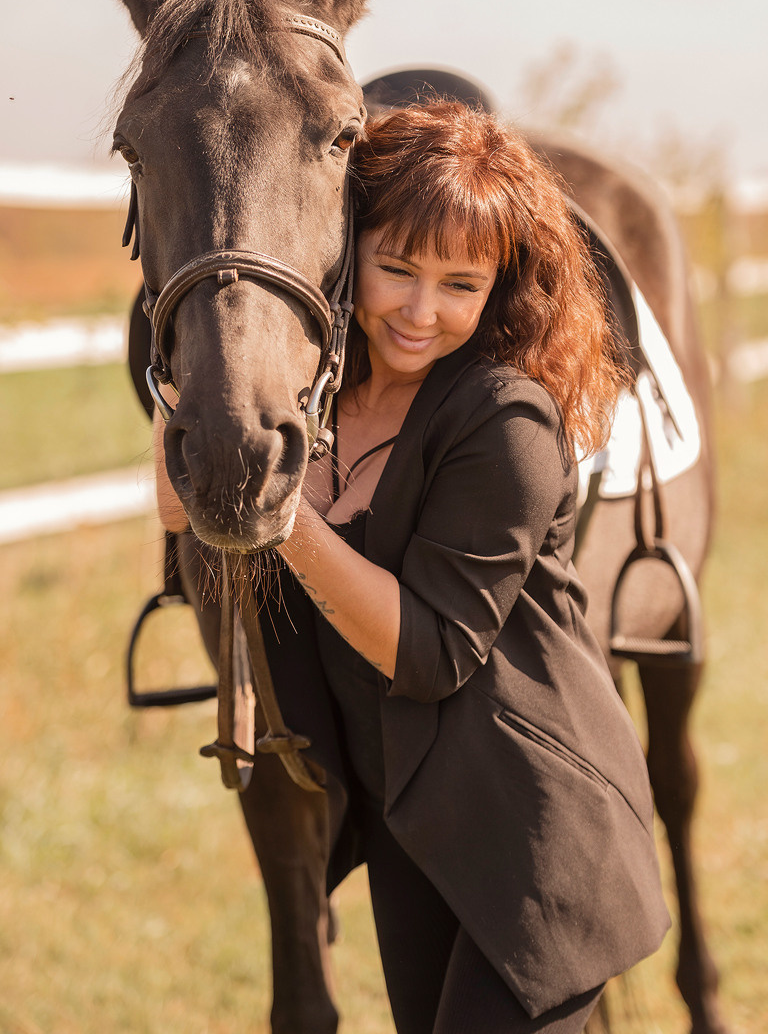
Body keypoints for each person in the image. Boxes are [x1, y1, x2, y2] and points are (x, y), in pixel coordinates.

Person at [156, 101, 670, 1033]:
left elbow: (430, 653)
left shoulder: (508, 423)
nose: (422, 313)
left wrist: (287, 517)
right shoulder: (318, 394)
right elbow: (179, 514)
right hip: (417, 829)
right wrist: (201, 361)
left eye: (461, 285)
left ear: (498, 288)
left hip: (534, 841)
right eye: (396, 270)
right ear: (347, 250)